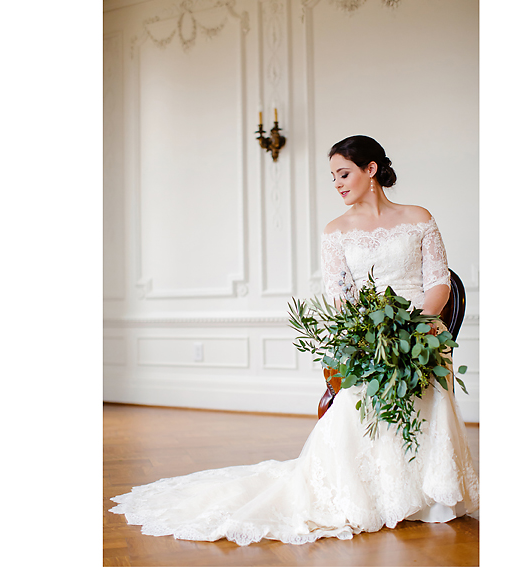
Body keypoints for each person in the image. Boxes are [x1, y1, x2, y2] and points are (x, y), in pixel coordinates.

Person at [109, 135, 479, 545]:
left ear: (371, 170)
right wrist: (375, 336)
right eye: (333, 177)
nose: (337, 184)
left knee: (430, 364)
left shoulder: (418, 217)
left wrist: (414, 326)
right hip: (370, 338)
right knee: (361, 399)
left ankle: (428, 494)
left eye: (344, 173)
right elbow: (341, 298)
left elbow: (438, 282)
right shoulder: (336, 231)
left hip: (421, 332)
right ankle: (373, 494)